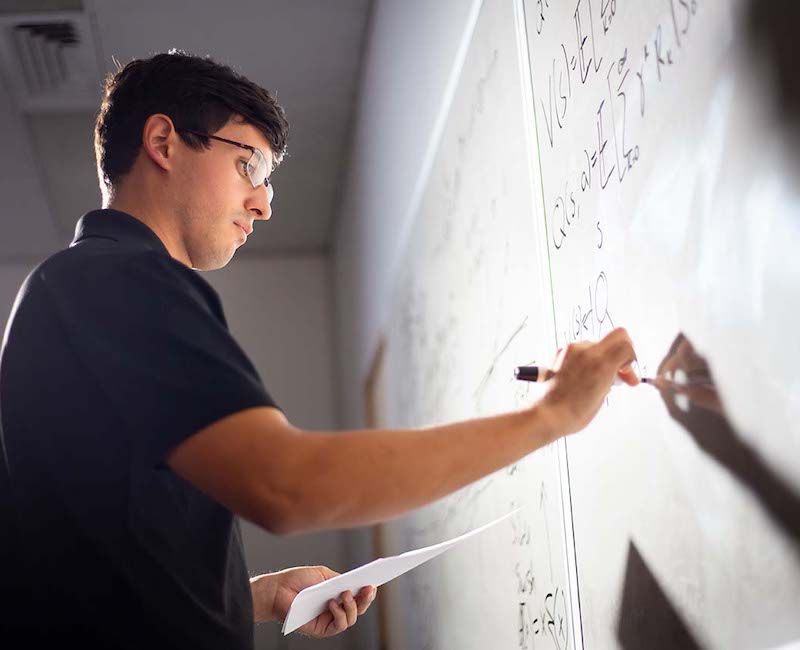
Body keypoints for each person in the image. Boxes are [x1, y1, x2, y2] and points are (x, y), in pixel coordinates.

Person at [0, 50, 638, 649]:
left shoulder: (85, 287)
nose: (264, 203)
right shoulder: (117, 282)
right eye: (247, 164)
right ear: (163, 143)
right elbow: (285, 485)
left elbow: (98, 557)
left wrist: (252, 596)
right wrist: (550, 417)